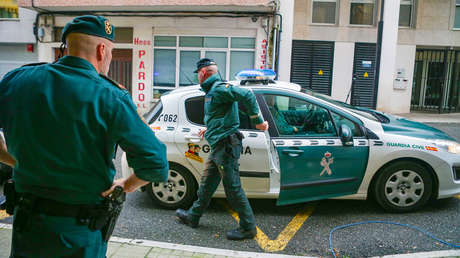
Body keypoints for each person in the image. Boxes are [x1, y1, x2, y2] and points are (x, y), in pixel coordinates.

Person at [0, 15, 169, 257]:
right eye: (111, 51)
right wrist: (126, 184)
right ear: (102, 50)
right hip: (80, 232)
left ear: (66, 47)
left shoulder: (16, 81)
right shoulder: (110, 96)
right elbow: (155, 163)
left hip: (28, 225)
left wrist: (17, 160)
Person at [175, 58, 269, 240]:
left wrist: (258, 122)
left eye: (198, 75)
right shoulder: (213, 91)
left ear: (203, 73)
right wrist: (209, 128)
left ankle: (248, 228)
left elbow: (247, 95)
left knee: (233, 189)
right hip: (218, 144)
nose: (198, 78)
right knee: (207, 184)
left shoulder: (218, 88)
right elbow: (220, 115)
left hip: (226, 146)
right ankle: (193, 217)